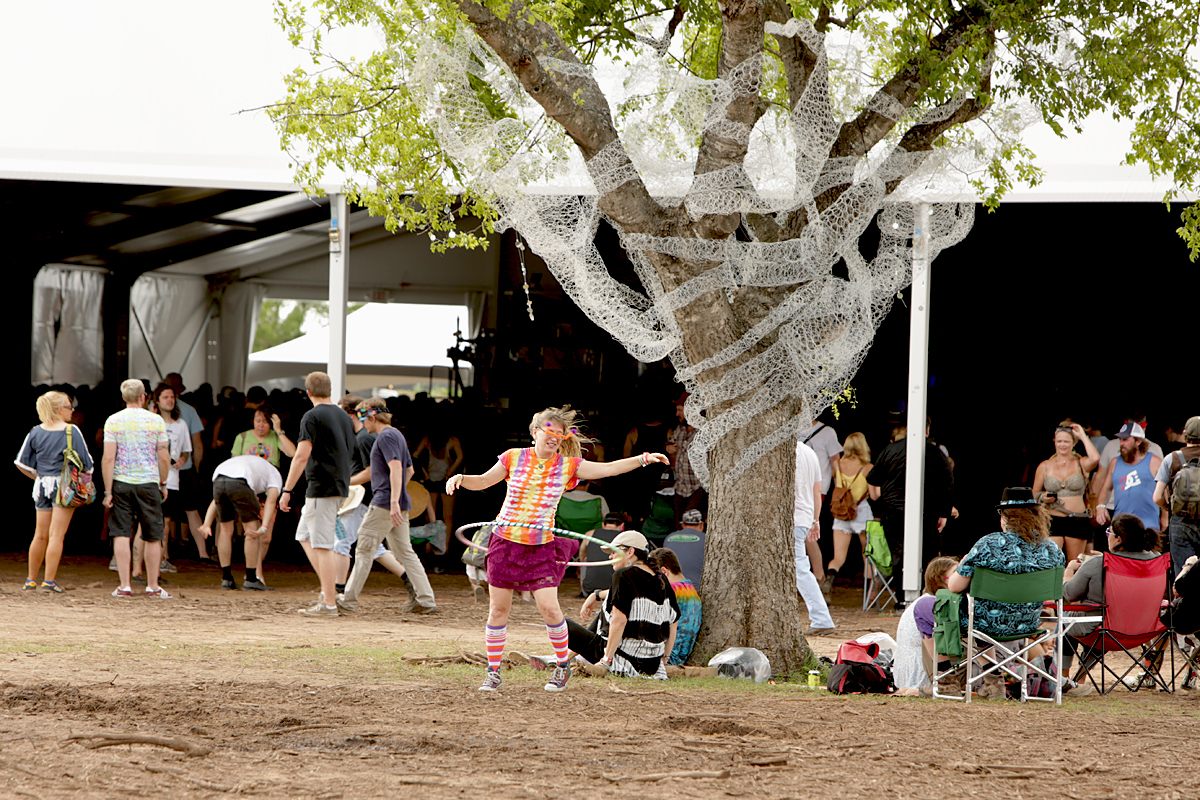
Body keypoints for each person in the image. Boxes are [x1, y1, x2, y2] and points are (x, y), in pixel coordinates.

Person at [446, 405, 669, 693]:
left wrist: (643, 459)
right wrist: (461, 479)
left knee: (550, 609)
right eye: (549, 432)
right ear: (535, 432)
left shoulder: (568, 465)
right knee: (498, 610)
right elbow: (484, 481)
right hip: (505, 542)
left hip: (540, 547)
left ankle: (562, 668)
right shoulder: (513, 457)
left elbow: (609, 468)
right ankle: (493, 672)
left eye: (560, 435)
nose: (554, 438)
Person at [941, 487, 1066, 699]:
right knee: (983, 613)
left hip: (986, 623)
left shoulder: (989, 544)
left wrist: (963, 565)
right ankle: (992, 677)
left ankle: (947, 679)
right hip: (1027, 624)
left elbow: (954, 586)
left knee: (945, 600)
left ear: (1005, 517)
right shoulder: (1052, 549)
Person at [342, 397, 436, 614]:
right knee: (404, 552)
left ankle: (348, 600)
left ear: (372, 417)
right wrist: (398, 496)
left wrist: (393, 499)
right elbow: (409, 471)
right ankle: (425, 599)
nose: (361, 423)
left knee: (364, 549)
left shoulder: (384, 437)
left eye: (362, 417)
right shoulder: (396, 435)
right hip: (396, 504)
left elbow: (396, 469)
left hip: (385, 504)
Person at [279, 372, 357, 618]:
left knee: (322, 545)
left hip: (321, 487)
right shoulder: (344, 416)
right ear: (330, 390)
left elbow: (301, 455)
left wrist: (287, 489)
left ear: (308, 392)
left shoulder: (311, 416)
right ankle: (329, 591)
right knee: (304, 535)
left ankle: (330, 603)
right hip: (338, 485)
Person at [569, 530, 679, 679]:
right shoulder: (661, 579)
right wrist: (664, 659)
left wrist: (605, 662)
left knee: (557, 622)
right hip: (652, 665)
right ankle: (569, 657)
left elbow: (619, 621)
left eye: (614, 552)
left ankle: (564, 659)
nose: (610, 556)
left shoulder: (623, 575)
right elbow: (674, 621)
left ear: (630, 552)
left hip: (622, 658)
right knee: (609, 606)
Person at [867, 419, 955, 605]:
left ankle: (901, 599)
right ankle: (928, 598)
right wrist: (944, 514)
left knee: (898, 555)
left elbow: (873, 478)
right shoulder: (935, 452)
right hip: (927, 512)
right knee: (929, 556)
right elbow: (947, 484)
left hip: (893, 512)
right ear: (928, 430)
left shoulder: (891, 450)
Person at [16, 390, 93, 593]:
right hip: (64, 487)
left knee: (39, 535)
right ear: (59, 410)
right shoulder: (72, 431)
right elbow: (88, 464)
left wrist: (38, 477)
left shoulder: (35, 431)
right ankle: (49, 581)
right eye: (69, 407)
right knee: (57, 535)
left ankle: (30, 579)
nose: (72, 410)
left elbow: (20, 462)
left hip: (41, 486)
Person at [102, 378, 172, 599]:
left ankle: (124, 585)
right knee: (153, 534)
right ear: (144, 397)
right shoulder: (156, 421)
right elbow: (163, 456)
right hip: (148, 482)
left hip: (121, 483)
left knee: (121, 532)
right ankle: (152, 586)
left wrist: (108, 490)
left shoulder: (113, 421)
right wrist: (163, 482)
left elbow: (108, 458)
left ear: (123, 398)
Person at [132, 383, 192, 581]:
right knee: (145, 524)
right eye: (165, 397)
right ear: (156, 400)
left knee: (164, 526)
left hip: (171, 479)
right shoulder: (149, 421)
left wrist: (183, 458)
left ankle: (156, 569)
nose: (170, 400)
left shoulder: (180, 424)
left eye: (172, 397)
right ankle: (137, 570)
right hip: (150, 478)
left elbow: (185, 449)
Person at [198, 454, 283, 590]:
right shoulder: (275, 476)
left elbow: (215, 500)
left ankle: (226, 578)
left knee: (225, 529)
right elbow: (271, 502)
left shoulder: (256, 465)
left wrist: (207, 523)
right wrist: (264, 528)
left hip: (219, 477)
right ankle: (251, 579)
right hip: (240, 480)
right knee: (251, 530)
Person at [1031, 421, 1100, 562]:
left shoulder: (1080, 463)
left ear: (1074, 443)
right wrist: (1042, 497)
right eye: (1059, 441)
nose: (1063, 444)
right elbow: (1033, 493)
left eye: (1067, 441)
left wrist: (1082, 435)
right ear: (1054, 442)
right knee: (1051, 563)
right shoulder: (1044, 466)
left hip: (1077, 519)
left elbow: (1095, 458)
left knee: (1074, 564)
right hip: (1053, 519)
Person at [892, 555, 958, 696]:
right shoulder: (931, 603)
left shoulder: (925, 600)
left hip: (908, 672)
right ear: (939, 580)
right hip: (919, 675)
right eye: (955, 574)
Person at [163, 372, 209, 561]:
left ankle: (163, 555)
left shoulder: (153, 412)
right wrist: (196, 468)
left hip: (163, 469)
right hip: (186, 467)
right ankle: (203, 553)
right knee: (192, 511)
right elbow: (197, 444)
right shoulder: (189, 411)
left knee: (164, 515)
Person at [333, 395, 375, 595]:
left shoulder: (364, 438)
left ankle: (338, 589)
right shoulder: (361, 437)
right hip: (360, 498)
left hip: (360, 498)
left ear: (351, 414)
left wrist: (346, 483)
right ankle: (409, 580)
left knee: (341, 542)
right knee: (377, 548)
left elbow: (370, 471)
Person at [794, 437, 835, 635]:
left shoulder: (784, 453)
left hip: (792, 517)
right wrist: (815, 520)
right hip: (805, 516)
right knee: (800, 568)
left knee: (800, 569)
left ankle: (821, 618)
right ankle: (821, 617)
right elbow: (817, 490)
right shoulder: (809, 452)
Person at [825, 431, 873, 595]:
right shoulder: (867, 468)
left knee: (838, 557)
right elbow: (874, 495)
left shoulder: (837, 465)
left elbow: (838, 487)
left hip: (841, 512)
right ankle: (869, 593)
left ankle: (828, 582)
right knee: (867, 554)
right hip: (861, 511)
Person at [1096, 422, 1164, 532]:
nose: (1121, 443)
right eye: (1120, 440)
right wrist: (1100, 506)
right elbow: (1106, 488)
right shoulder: (1115, 462)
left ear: (1138, 441)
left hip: (1148, 525)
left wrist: (1164, 517)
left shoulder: (1154, 462)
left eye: (1126, 439)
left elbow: (1164, 492)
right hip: (1121, 526)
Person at [1153, 415, 1200, 577]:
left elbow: (1157, 497)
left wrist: (1171, 509)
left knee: (1184, 575)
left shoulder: (1172, 459)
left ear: (1186, 434)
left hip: (1181, 522)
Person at [800, 420, 841, 590]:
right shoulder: (793, 428)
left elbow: (835, 462)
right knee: (804, 533)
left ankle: (819, 577)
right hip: (797, 489)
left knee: (808, 532)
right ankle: (817, 578)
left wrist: (838, 489)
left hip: (817, 490)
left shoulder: (827, 431)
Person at [648, 546, 700, 666]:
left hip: (668, 656)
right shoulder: (689, 587)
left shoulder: (671, 590)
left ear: (664, 572)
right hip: (680, 654)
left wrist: (597, 595)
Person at [412, 421, 464, 537]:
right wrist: (451, 471)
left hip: (435, 479)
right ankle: (443, 547)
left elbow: (415, 455)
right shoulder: (452, 440)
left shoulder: (428, 440)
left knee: (432, 516)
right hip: (444, 479)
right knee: (447, 516)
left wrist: (425, 473)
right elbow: (460, 457)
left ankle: (431, 546)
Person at [665, 396, 706, 528]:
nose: (677, 414)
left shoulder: (703, 432)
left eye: (680, 410)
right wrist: (668, 447)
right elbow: (670, 442)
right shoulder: (680, 430)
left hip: (697, 486)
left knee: (691, 523)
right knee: (679, 525)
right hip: (680, 487)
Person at [578, 511, 625, 600]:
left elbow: (582, 554)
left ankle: (583, 588)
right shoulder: (624, 537)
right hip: (614, 589)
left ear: (603, 524)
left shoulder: (590, 534)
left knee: (585, 560)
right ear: (622, 525)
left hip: (589, 589)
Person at [230, 405, 296, 467]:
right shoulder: (242, 437)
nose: (261, 425)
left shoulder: (275, 436)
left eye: (265, 422)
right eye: (258, 421)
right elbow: (235, 463)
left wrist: (278, 430)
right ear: (253, 421)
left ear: (271, 422)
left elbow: (292, 453)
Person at [662, 509, 706, 592]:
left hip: (670, 589)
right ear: (701, 525)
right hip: (694, 590)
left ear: (683, 525)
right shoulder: (706, 539)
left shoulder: (669, 538)